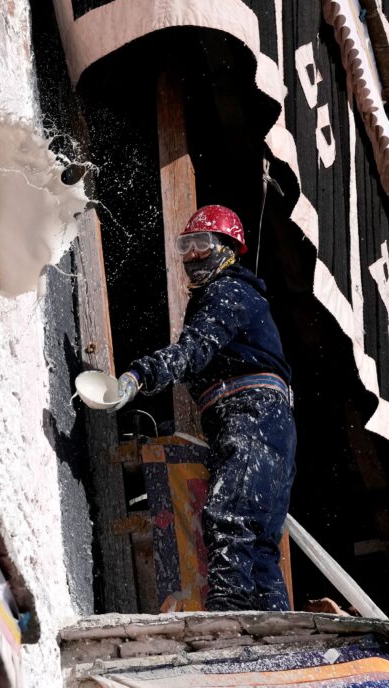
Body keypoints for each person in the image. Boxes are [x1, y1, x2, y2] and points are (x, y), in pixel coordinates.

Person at [112, 204, 296, 612]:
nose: (193, 255)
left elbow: (194, 349)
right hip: (266, 420)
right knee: (259, 542)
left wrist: (140, 376)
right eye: (185, 246)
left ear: (228, 248)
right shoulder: (234, 296)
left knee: (230, 517)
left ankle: (228, 620)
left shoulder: (227, 292)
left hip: (252, 414)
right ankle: (274, 634)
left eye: (202, 244)